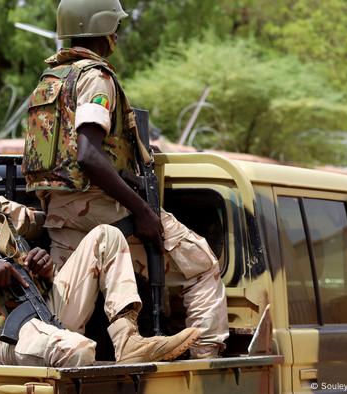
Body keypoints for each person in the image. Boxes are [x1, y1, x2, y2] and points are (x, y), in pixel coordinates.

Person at [22, 0, 228, 358]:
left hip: (60, 211)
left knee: (67, 307)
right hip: (99, 206)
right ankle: (206, 362)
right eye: (114, 25)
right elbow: (87, 154)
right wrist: (142, 210)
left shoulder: (49, 82)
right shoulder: (96, 78)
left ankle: (69, 361)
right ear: (104, 28)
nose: (116, 33)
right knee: (201, 262)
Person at [0, 121, 200, 366]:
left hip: (39, 316)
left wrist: (41, 268)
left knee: (106, 236)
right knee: (78, 350)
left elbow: (26, 274)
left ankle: (127, 340)